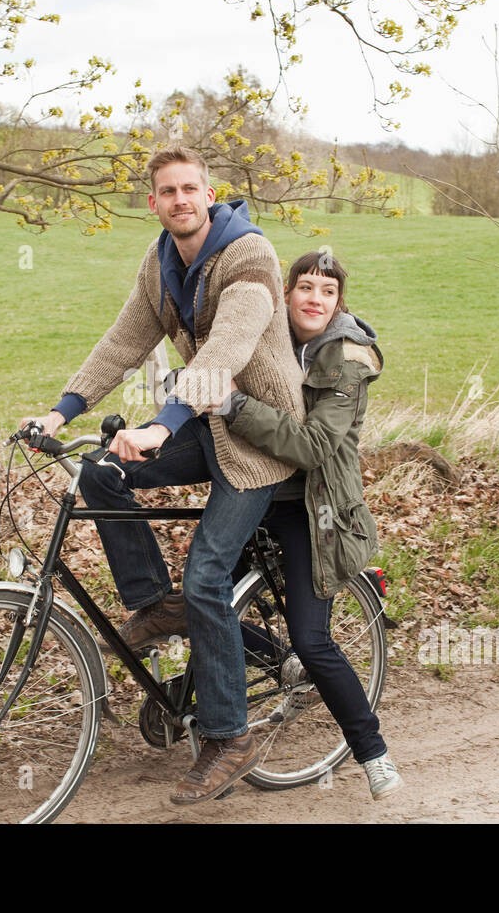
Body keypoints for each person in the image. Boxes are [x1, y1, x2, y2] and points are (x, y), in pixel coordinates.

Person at [21, 145, 305, 806]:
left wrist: (160, 424)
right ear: (153, 203)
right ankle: (156, 605)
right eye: (167, 191)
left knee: (208, 572)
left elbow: (225, 350)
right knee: (102, 471)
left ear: (209, 194)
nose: (179, 199)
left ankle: (229, 736)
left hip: (260, 437)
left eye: (190, 189)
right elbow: (122, 343)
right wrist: (62, 412)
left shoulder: (248, 257)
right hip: (204, 426)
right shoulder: (160, 264)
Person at [211, 249, 404, 801]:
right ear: (286, 293)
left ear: (339, 302)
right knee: (201, 602)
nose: (315, 298)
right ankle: (219, 717)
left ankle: (372, 753)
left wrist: (235, 406)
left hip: (312, 509)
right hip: (252, 490)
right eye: (305, 287)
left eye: (327, 290)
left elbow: (316, 446)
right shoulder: (269, 342)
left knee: (312, 640)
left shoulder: (345, 359)